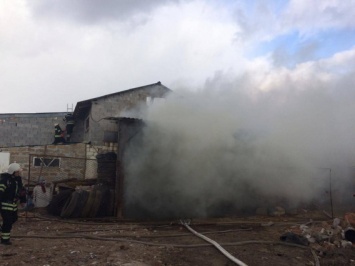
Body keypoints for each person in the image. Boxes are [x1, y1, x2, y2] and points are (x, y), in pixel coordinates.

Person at [0, 163, 26, 245]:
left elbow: (22, 191)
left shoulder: (18, 180)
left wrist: (23, 200)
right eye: (17, 171)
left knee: (14, 219)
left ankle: (3, 228)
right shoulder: (5, 180)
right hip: (5, 205)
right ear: (13, 172)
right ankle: (5, 240)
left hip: (13, 205)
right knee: (7, 222)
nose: (19, 173)